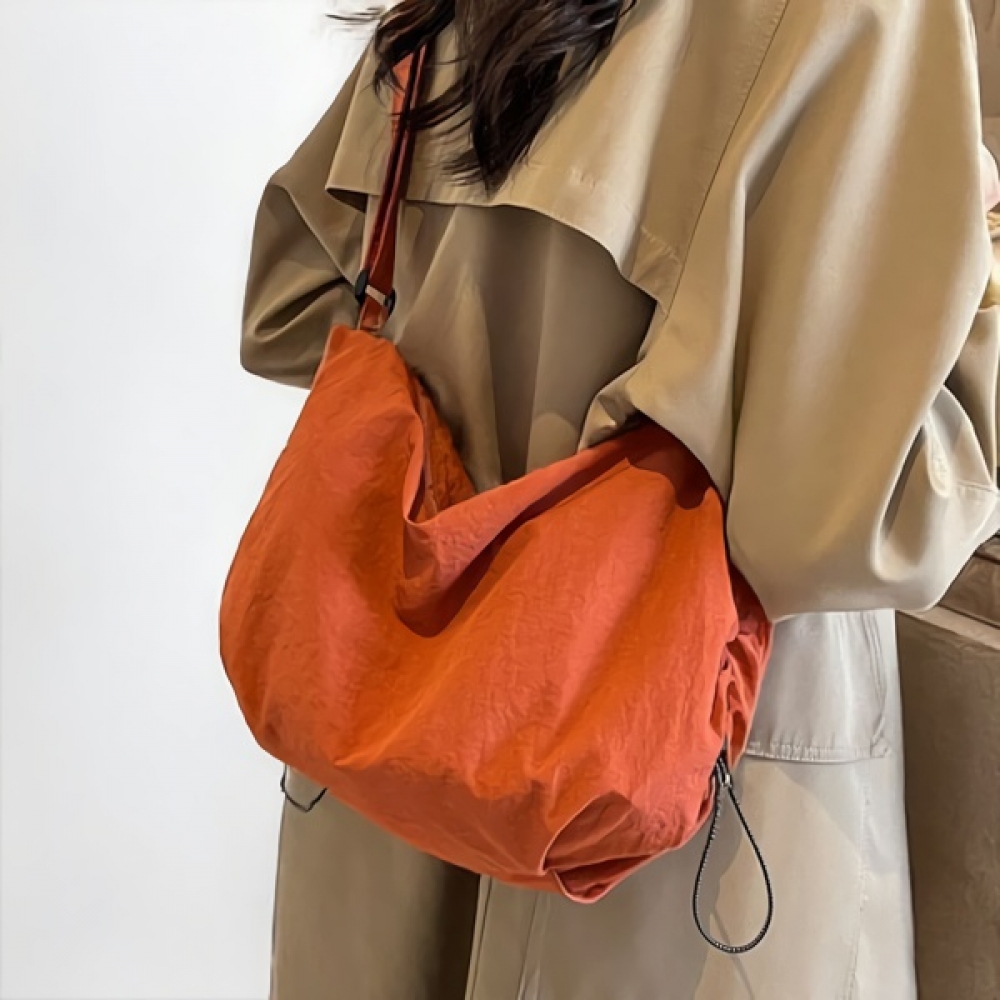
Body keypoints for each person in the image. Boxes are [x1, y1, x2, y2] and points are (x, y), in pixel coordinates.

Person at [239, 0, 1000, 996]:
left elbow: (294, 306)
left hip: (389, 764)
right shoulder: (864, 17)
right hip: (689, 824)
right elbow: (853, 524)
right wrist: (976, 266)